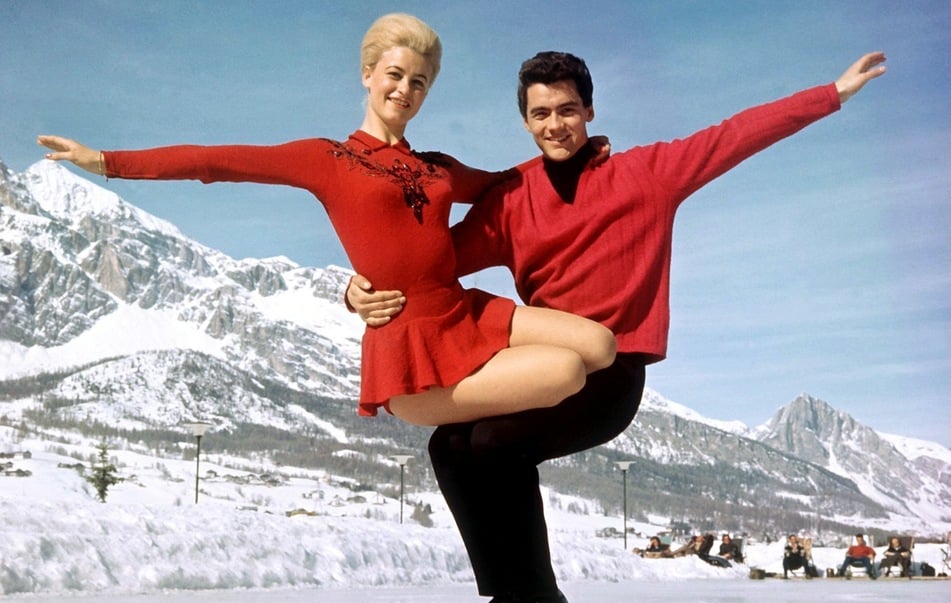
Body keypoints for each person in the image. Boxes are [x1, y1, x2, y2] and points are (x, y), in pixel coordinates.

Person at [349, 50, 885, 603]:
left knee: (497, 442)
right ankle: (515, 594)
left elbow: (734, 136)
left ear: (589, 111)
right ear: (526, 122)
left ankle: (539, 601)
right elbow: (427, 261)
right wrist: (358, 291)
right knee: (450, 447)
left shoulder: (647, 175)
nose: (555, 124)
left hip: (610, 376)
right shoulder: (510, 199)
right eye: (541, 113)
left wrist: (831, 94)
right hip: (536, 364)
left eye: (567, 110)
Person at [36, 13, 616, 429]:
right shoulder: (328, 158)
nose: (405, 90)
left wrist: (579, 150)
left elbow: (508, 185)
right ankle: (476, 434)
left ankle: (488, 414)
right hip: (410, 349)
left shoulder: (437, 168)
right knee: (564, 371)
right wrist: (106, 161)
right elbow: (213, 162)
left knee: (599, 345)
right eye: (394, 74)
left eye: (419, 81)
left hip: (464, 312)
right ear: (368, 75)